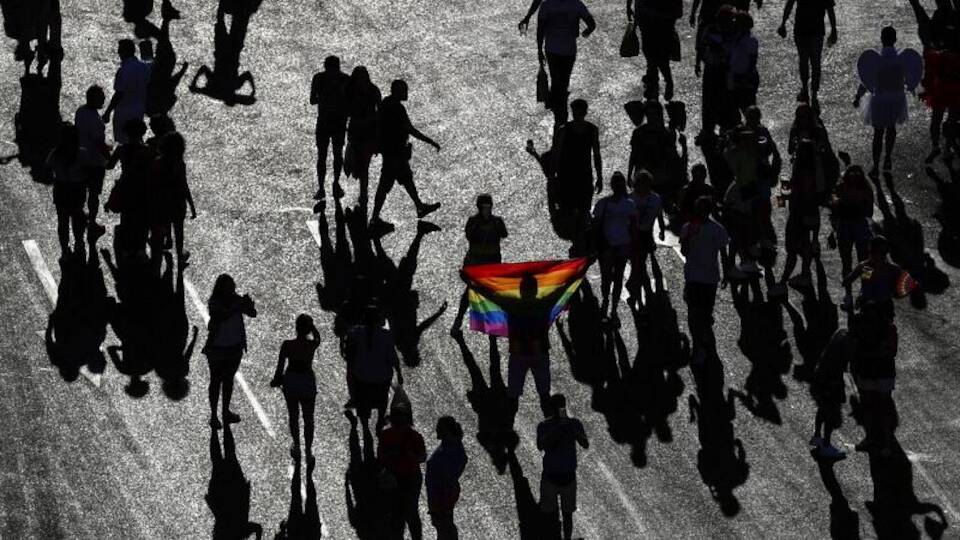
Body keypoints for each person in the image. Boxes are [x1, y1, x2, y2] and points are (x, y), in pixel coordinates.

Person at [370, 79, 441, 229]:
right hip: (395, 153)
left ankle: (419, 206)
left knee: (406, 179)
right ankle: (374, 218)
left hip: (391, 152)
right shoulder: (398, 108)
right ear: (398, 91)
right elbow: (410, 129)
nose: (407, 93)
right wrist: (430, 141)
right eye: (404, 90)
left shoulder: (385, 104)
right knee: (385, 185)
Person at [853, 26, 921, 175]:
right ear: (895, 39)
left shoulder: (874, 59)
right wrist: (912, 87)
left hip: (880, 100)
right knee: (891, 129)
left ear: (881, 39)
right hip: (897, 99)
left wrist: (858, 96)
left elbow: (866, 79)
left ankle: (875, 165)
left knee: (878, 133)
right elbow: (912, 76)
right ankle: (888, 157)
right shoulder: (903, 59)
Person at [203, 274, 257, 429]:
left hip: (234, 347)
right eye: (227, 286)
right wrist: (237, 307)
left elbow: (253, 314)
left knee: (228, 381)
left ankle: (225, 411)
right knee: (215, 381)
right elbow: (220, 316)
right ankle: (214, 415)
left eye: (231, 286)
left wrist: (248, 305)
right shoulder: (215, 302)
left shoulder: (236, 300)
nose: (230, 289)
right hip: (217, 349)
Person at [680, 196, 730, 364]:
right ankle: (698, 344)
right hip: (695, 277)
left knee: (704, 312)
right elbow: (684, 251)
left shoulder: (716, 229)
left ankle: (701, 339)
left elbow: (723, 253)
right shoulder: (688, 228)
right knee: (695, 312)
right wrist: (689, 237)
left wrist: (726, 272)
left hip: (708, 278)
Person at [451, 194, 508, 335]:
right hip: (476, 264)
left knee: (492, 294)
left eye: (489, 206)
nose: (487, 209)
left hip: (492, 265)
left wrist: (496, 225)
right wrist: (478, 225)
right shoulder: (473, 221)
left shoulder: (497, 221)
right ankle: (458, 319)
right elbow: (469, 236)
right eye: (484, 207)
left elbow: (504, 234)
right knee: (470, 291)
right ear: (479, 207)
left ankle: (494, 325)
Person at [536, 394, 589, 540]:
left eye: (562, 406)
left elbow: (585, 444)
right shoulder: (544, 426)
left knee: (567, 515)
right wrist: (559, 428)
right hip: (552, 477)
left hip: (565, 477)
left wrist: (572, 430)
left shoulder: (574, 424)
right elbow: (541, 445)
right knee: (551, 515)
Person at [536, 0, 596, 125]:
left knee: (555, 77)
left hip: (551, 48)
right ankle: (560, 106)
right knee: (564, 79)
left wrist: (539, 50)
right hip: (569, 49)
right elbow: (592, 24)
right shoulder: (577, 4)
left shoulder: (546, 5)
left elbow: (540, 30)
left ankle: (557, 107)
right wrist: (585, 32)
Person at [270, 314, 321, 462]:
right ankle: (309, 451)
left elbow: (280, 367)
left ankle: (297, 446)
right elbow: (318, 338)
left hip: (291, 381)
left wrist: (276, 380)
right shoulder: (311, 344)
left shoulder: (287, 345)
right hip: (307, 381)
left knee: (293, 415)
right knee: (309, 417)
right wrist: (313, 328)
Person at [344, 305, 403, 431]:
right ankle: (380, 419)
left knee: (362, 400)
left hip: (362, 376)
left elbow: (349, 352)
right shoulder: (386, 335)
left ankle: (365, 427)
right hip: (382, 377)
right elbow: (392, 356)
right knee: (383, 397)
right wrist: (399, 372)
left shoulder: (356, 333)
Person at [554, 99, 602, 242]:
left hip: (583, 175)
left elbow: (596, 154)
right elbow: (557, 153)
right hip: (568, 175)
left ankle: (580, 238)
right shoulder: (565, 130)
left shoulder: (591, 130)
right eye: (575, 113)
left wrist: (599, 176)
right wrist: (555, 175)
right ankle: (577, 237)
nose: (577, 116)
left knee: (583, 208)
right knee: (569, 208)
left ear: (585, 113)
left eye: (580, 113)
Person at [593, 172, 636, 326]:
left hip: (616, 248)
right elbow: (633, 228)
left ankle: (609, 307)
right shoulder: (627, 204)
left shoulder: (604, 204)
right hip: (612, 247)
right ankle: (611, 308)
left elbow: (596, 226)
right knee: (612, 279)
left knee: (612, 279)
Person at [378, 402, 426, 540]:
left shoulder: (389, 435)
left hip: (402, 476)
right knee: (408, 511)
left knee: (400, 511)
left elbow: (380, 457)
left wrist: (407, 455)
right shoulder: (413, 436)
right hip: (408, 476)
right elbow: (422, 458)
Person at [777, 0, 838, 108]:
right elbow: (830, 9)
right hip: (816, 31)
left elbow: (790, 4)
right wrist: (833, 29)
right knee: (816, 63)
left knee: (803, 60)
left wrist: (783, 23)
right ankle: (814, 94)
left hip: (801, 29)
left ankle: (805, 89)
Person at [149, 131, 196, 267]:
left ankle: (165, 243)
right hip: (178, 202)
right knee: (179, 230)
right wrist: (192, 206)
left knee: (164, 224)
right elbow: (184, 185)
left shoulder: (158, 163)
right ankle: (180, 255)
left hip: (163, 201)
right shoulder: (180, 164)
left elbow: (153, 185)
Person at [830, 166, 874, 309]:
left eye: (856, 173)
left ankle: (858, 293)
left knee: (861, 264)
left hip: (850, 227)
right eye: (852, 173)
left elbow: (868, 211)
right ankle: (857, 293)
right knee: (855, 263)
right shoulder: (863, 189)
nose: (854, 176)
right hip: (854, 227)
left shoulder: (842, 188)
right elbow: (869, 212)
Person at [310, 55, 350, 205]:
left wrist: (325, 98)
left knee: (322, 155)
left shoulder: (318, 78)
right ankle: (336, 184)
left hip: (324, 122)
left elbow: (312, 100)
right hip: (339, 123)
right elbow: (350, 103)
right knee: (337, 154)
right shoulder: (345, 79)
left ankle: (321, 187)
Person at [343, 66, 382, 214]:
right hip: (359, 132)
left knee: (364, 164)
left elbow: (380, 113)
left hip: (366, 133)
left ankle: (363, 193)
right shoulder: (369, 90)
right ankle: (363, 192)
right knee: (361, 163)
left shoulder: (368, 91)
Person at [809, 326, 852, 460]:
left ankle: (817, 436)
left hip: (821, 380)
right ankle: (826, 445)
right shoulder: (845, 348)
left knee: (823, 409)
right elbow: (843, 368)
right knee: (831, 414)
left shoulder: (840, 336)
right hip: (831, 384)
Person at [628, 0, 682, 101]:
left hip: (659, 23)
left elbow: (678, 11)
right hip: (652, 22)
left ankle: (659, 82)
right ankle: (656, 82)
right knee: (653, 55)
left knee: (658, 57)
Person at [75, 85, 110, 237]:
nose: (104, 99)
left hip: (81, 159)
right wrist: (109, 158)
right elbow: (99, 143)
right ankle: (92, 223)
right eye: (101, 96)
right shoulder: (94, 119)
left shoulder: (80, 111)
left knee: (82, 190)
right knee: (94, 194)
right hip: (95, 162)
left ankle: (80, 217)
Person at [842, 236, 905, 321]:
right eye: (874, 252)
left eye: (879, 253)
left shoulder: (868, 267)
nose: (876, 256)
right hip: (878, 306)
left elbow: (847, 282)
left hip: (878, 307)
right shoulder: (892, 269)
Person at [425, 416, 467, 540]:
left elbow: (449, 478)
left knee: (444, 526)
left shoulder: (453, 449)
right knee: (442, 526)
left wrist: (441, 504)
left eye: (439, 428)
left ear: (447, 430)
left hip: (442, 495)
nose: (436, 430)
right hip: (438, 493)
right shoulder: (447, 445)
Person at [627, 169, 665, 305]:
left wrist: (662, 229)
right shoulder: (630, 198)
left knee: (639, 262)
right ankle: (636, 288)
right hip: (633, 234)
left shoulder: (655, 199)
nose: (643, 188)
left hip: (646, 234)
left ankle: (634, 286)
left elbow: (659, 214)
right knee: (638, 262)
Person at [48, 123, 86, 255]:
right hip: (77, 189)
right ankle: (79, 243)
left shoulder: (55, 153)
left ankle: (64, 249)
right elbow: (88, 171)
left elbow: (48, 167)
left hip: (61, 189)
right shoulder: (82, 153)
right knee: (77, 218)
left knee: (63, 221)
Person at [102, 39, 149, 145]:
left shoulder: (124, 70)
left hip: (123, 113)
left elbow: (119, 93)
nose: (118, 52)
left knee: (123, 143)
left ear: (124, 51)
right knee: (137, 140)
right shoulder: (144, 67)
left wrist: (107, 112)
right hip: (139, 112)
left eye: (120, 50)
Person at [729, 11, 759, 115]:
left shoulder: (750, 40)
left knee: (748, 108)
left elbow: (752, 60)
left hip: (745, 77)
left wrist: (746, 77)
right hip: (735, 76)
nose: (733, 24)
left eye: (736, 22)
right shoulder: (736, 38)